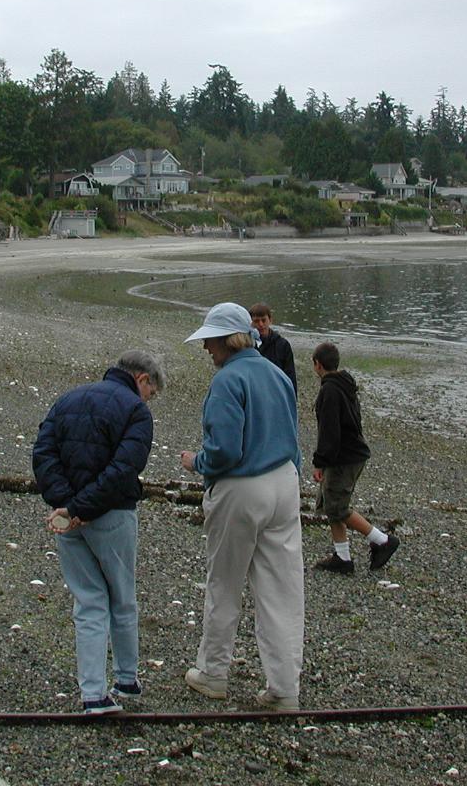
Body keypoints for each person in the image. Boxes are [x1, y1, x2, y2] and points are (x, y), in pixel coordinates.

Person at [179, 302, 304, 711]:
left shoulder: (227, 381)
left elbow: (225, 450)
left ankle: (214, 673)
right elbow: (293, 434)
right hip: (285, 481)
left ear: (226, 340)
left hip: (241, 487)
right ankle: (284, 688)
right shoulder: (278, 375)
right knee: (282, 589)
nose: (206, 349)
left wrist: (197, 462)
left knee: (225, 583)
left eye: (210, 341)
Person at [32, 350, 165, 715]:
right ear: (142, 379)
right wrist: (82, 508)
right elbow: (125, 468)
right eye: (151, 392)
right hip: (113, 515)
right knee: (122, 597)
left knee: (88, 601)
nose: (149, 399)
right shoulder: (136, 412)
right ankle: (126, 679)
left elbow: (43, 454)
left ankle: (93, 694)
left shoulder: (67, 400)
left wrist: (67, 505)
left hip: (68, 516)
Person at [310, 342, 399, 574]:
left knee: (338, 508)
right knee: (331, 506)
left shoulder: (330, 390)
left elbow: (330, 432)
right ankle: (343, 557)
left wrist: (320, 461)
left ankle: (382, 540)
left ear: (317, 364)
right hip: (351, 454)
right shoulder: (346, 384)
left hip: (343, 458)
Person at [249, 302, 297, 394]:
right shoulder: (247, 345)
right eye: (256, 321)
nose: (261, 324)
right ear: (251, 323)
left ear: (270, 320)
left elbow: (290, 377)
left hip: (277, 392)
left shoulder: (283, 345)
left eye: (263, 320)